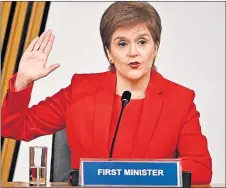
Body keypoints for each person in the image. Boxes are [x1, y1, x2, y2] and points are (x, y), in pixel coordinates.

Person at [1, 2, 212, 184]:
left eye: (142, 41)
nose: (133, 52)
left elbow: (201, 168)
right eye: (122, 43)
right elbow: (14, 127)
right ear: (109, 52)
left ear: (155, 48)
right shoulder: (81, 90)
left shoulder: (180, 100)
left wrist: (130, 175)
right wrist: (23, 80)